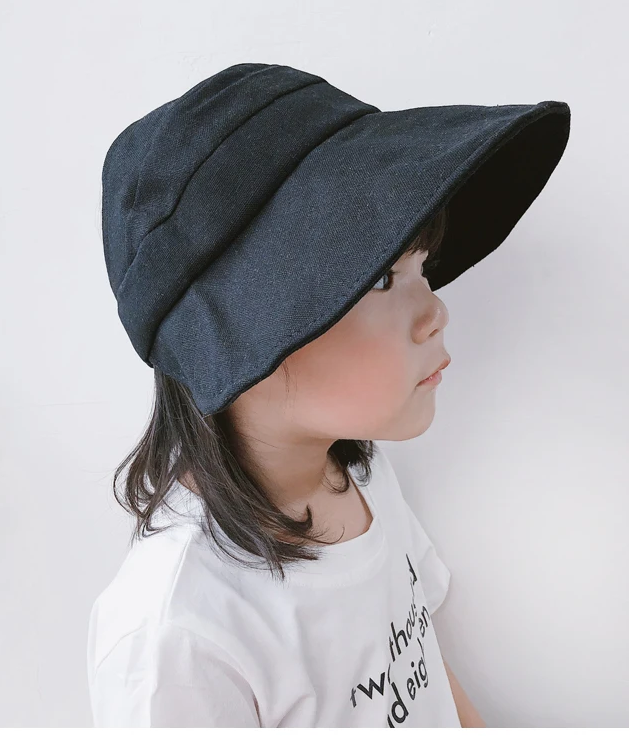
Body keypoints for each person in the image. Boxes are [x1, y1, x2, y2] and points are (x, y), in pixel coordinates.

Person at [87, 62, 570, 726]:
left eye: (422, 267)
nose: (435, 312)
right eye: (381, 278)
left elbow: (423, 666)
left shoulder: (361, 475)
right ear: (247, 335)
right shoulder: (178, 634)